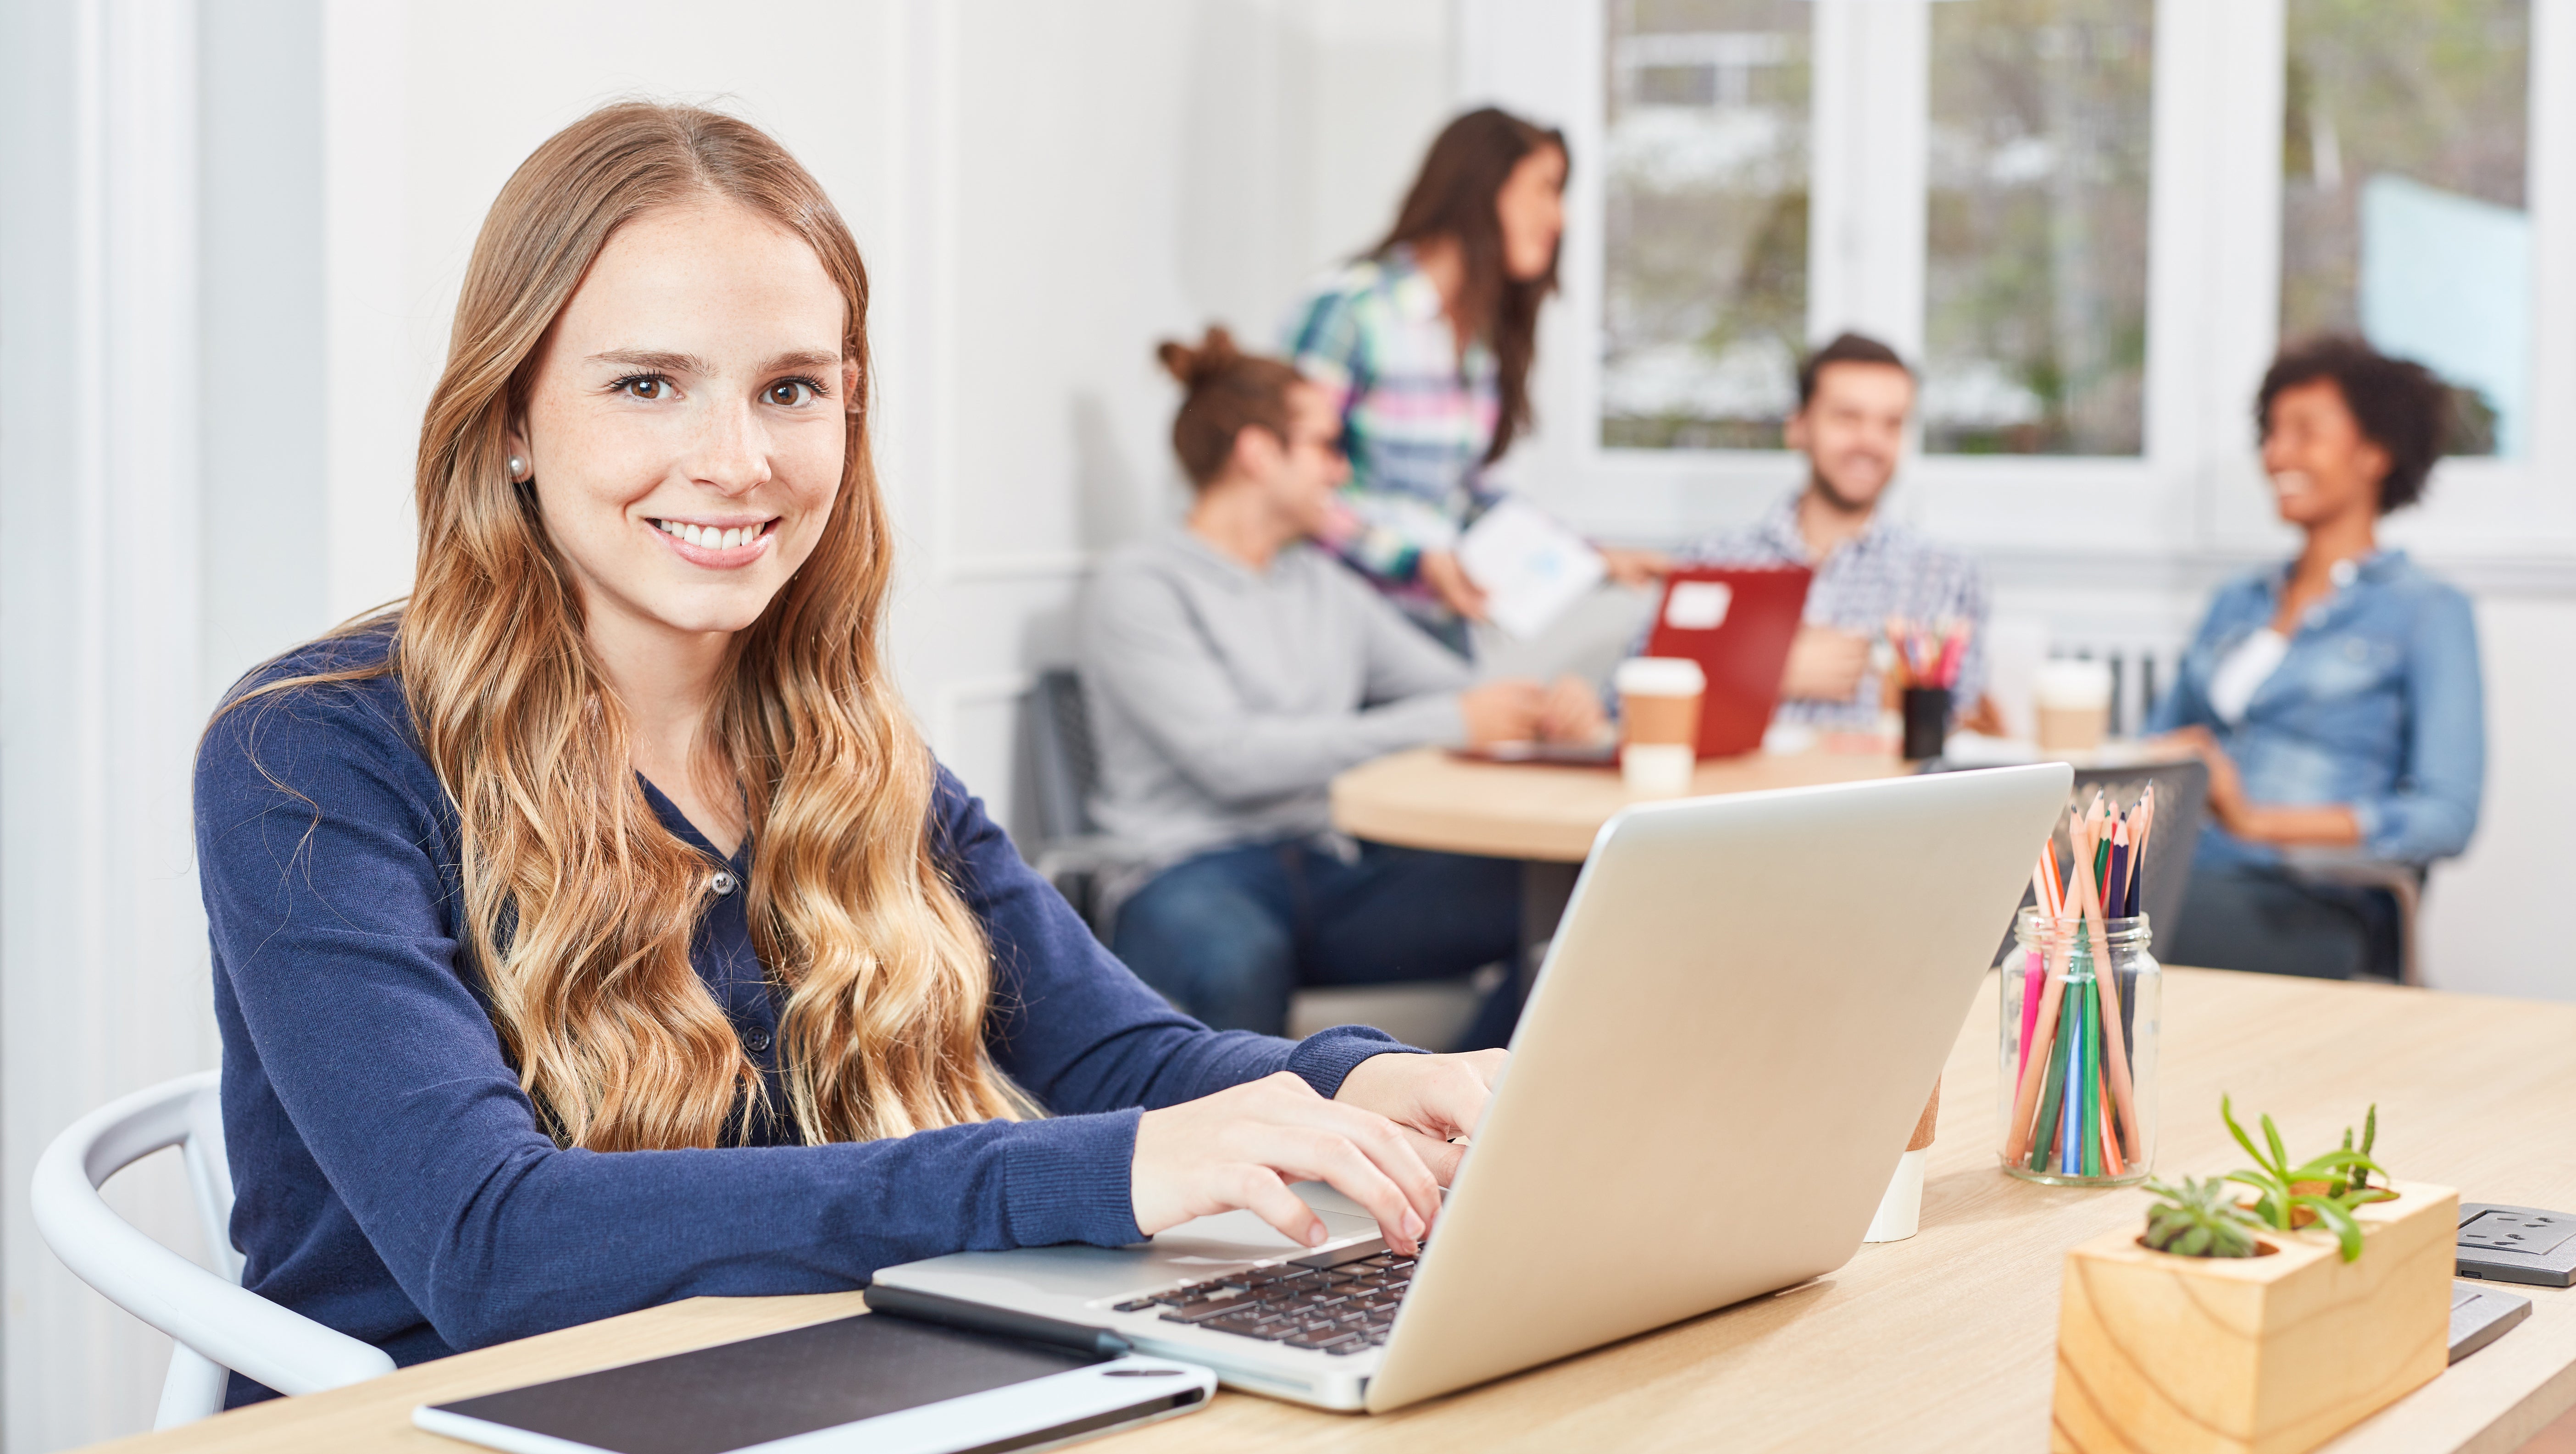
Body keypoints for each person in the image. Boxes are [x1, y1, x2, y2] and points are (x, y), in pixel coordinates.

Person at [192, 104, 1506, 1406]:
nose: (738, 461)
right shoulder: (311, 752)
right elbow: (493, 1241)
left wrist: (1363, 1081)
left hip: (786, 1391)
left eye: (791, 390)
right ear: (513, 420)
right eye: (647, 384)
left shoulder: (851, 749)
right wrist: (1092, 1171)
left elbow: (1125, 1055)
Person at [1083, 327, 1605, 1048]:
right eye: (1328, 446)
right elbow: (1233, 760)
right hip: (1183, 873)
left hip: (1330, 869)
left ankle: (1461, 1106)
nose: (1342, 469)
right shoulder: (1142, 586)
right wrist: (1454, 721)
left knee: (1578, 897)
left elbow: (1458, 690)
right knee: (1239, 956)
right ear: (1258, 453)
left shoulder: (1324, 585)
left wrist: (1547, 705)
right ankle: (1264, 1128)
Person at [2149, 336, 2484, 981]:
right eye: (2272, 434)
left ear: (2376, 452)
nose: (2277, 454)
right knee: (2033, 893)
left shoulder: (2427, 611)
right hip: (2192, 869)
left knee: (2088, 923)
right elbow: (2153, 742)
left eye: (2305, 432)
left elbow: (2447, 817)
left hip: (2313, 898)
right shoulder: (2236, 601)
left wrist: (2256, 820)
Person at [1283, 106, 1665, 653]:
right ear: (1481, 188)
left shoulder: (1477, 339)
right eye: (1545, 189)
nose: (1560, 219)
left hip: (1436, 632)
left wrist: (1591, 558)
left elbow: (1463, 501)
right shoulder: (1353, 310)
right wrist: (1413, 561)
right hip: (1340, 630)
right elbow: (1288, 482)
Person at [1663, 332, 1993, 732]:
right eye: (1848, 418)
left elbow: (1967, 729)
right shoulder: (1710, 562)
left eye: (1891, 424)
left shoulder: (1947, 573)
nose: (1871, 442)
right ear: (1798, 428)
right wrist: (1765, 672)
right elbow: (1628, 711)